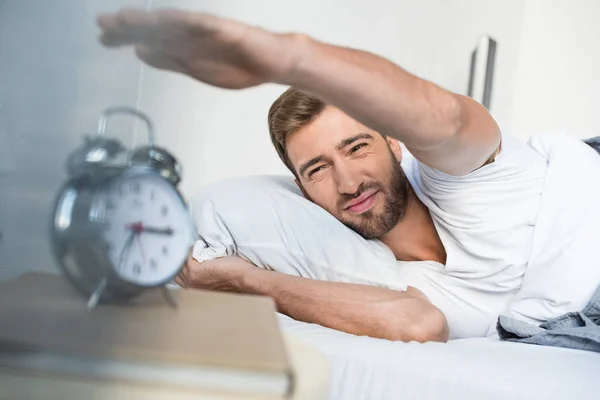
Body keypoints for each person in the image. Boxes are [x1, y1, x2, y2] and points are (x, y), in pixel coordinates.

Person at [97, 8, 548, 342]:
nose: (349, 183)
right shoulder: (352, 262)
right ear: (300, 189)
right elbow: (419, 323)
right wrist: (243, 279)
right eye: (317, 169)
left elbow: (448, 120)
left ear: (393, 142)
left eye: (357, 147)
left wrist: (290, 58)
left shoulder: (467, 182)